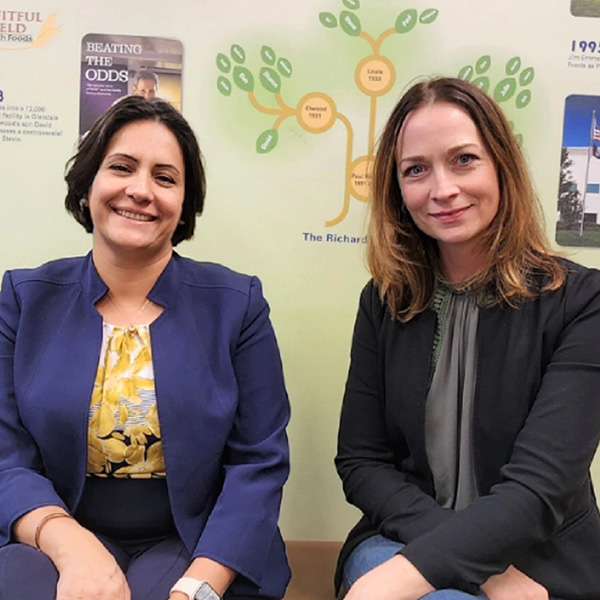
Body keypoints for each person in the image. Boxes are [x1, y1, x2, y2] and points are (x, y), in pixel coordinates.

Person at [0, 96, 290, 600]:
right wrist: (69, 545)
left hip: (197, 537)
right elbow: (4, 453)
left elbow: (259, 463)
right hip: (52, 528)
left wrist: (198, 586)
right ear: (89, 182)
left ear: (184, 204)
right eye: (121, 167)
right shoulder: (25, 299)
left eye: (165, 177)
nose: (140, 190)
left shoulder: (238, 305)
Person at [335, 77, 600, 600]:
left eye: (463, 160)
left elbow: (539, 488)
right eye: (416, 170)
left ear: (501, 164)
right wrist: (472, 567)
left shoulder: (583, 301)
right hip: (402, 537)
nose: (442, 190)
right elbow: (361, 461)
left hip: (541, 556)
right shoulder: (384, 300)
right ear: (397, 189)